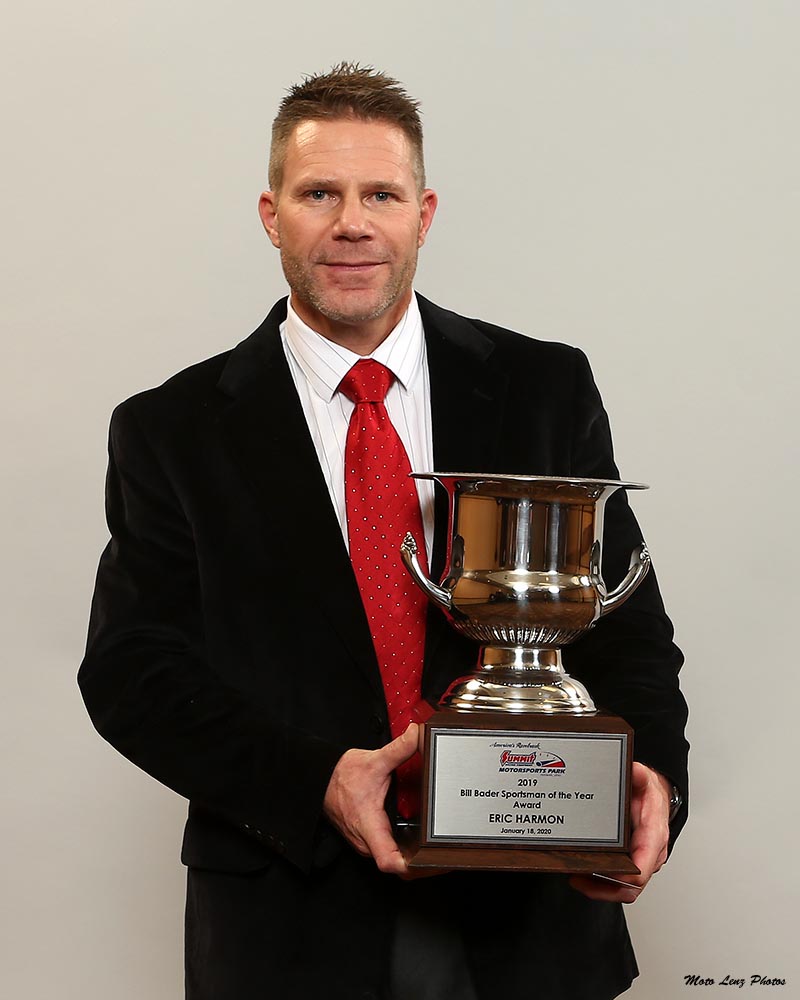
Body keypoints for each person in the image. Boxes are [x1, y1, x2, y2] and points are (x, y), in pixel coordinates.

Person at [79, 63, 689, 1000]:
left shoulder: (542, 388)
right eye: (318, 193)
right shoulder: (172, 428)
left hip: (529, 918)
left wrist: (650, 781)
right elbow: (133, 672)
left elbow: (624, 630)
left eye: (382, 195)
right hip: (288, 916)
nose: (352, 223)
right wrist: (316, 780)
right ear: (271, 213)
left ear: (424, 213)